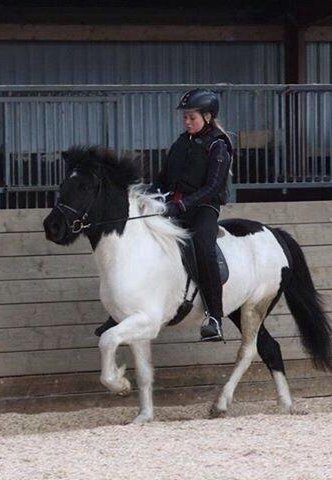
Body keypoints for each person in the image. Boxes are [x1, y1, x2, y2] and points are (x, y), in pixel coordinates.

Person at [95, 89, 233, 342]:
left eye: (192, 117)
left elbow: (213, 187)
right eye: (185, 118)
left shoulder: (218, 146)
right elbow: (163, 177)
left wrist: (182, 205)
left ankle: (214, 316)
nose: (187, 122)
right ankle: (122, 310)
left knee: (203, 247)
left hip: (203, 208)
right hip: (173, 205)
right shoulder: (181, 142)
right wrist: (150, 195)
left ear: (208, 116)